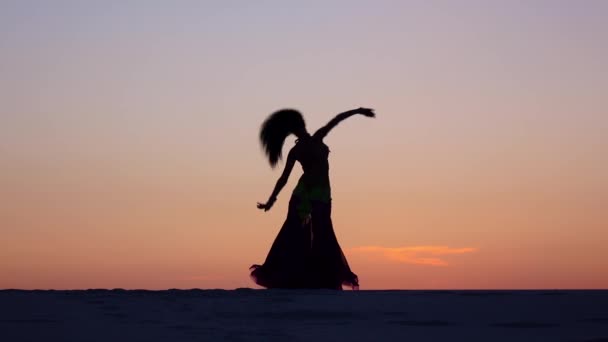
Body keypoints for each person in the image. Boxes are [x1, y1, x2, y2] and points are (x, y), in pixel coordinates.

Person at [250, 107, 375, 290]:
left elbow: (337, 119)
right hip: (309, 195)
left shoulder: (307, 143)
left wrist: (358, 111)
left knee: (317, 235)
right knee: (301, 235)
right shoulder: (306, 144)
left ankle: (315, 278)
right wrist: (271, 200)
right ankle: (300, 277)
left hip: (317, 194)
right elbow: (284, 178)